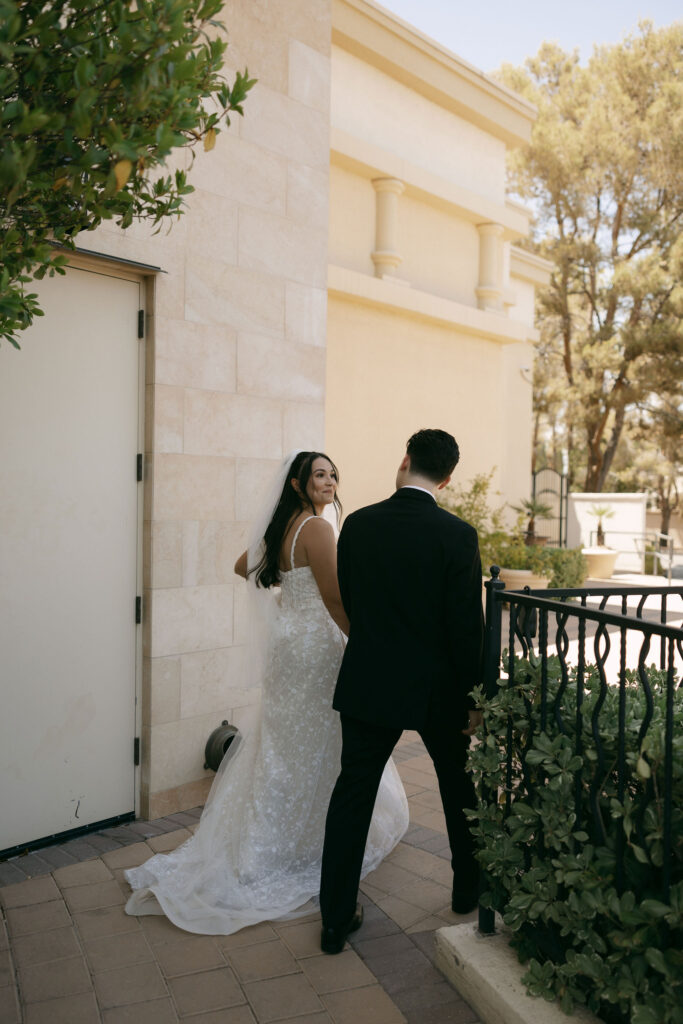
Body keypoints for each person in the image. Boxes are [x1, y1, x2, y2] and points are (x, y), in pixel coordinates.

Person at [124, 450, 408, 935]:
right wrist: (361, 643)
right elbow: (336, 596)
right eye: (319, 474)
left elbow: (243, 566)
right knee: (319, 741)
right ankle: (304, 842)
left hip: (287, 648)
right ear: (298, 484)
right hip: (317, 649)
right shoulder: (317, 529)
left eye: (333, 473)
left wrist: (283, 597)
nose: (330, 481)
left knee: (284, 744)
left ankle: (267, 839)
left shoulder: (281, 529)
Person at [319, 429, 484, 954]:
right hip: (439, 689)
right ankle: (465, 892)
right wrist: (475, 696)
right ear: (448, 478)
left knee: (352, 797)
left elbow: (351, 598)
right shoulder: (457, 535)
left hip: (370, 679)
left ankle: (334, 919)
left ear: (405, 460)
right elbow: (466, 627)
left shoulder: (360, 525)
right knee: (458, 790)